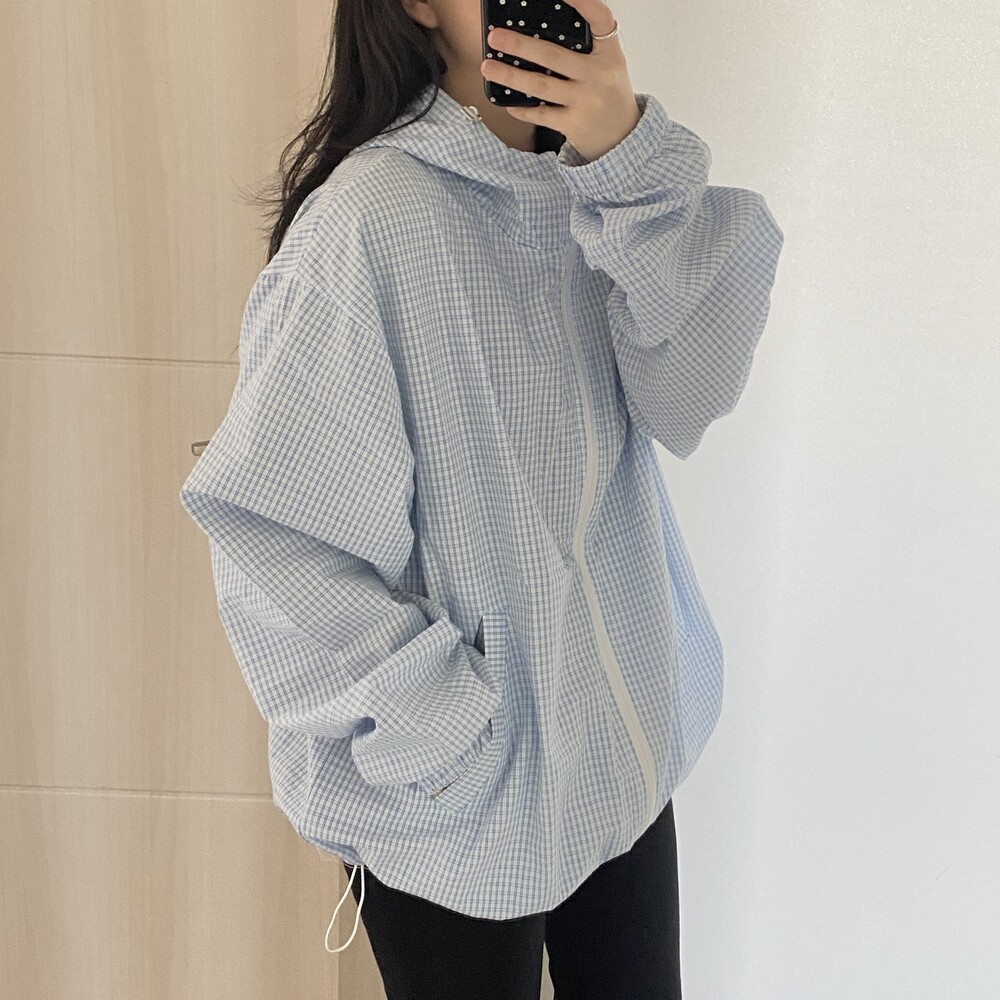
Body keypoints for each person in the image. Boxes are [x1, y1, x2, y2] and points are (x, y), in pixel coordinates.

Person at [179, 0, 784, 996]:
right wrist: (447, 743)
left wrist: (629, 170)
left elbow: (691, 397)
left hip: (615, 754)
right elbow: (277, 541)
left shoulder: (610, 194)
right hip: (453, 794)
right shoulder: (370, 220)